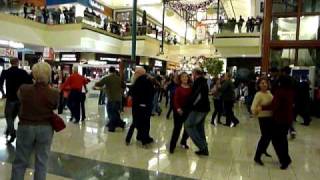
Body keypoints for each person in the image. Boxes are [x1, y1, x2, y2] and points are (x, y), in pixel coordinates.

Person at [11, 62, 59, 180]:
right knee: (42, 162)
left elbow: (20, 98)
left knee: (20, 161)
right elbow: (55, 106)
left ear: (33, 74)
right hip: (45, 128)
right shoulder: (54, 92)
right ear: (48, 74)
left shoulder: (23, 89)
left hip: (25, 127)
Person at [261, 73, 294, 169]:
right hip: (288, 119)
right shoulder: (291, 91)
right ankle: (286, 158)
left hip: (280, 119)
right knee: (282, 140)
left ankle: (285, 160)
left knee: (277, 140)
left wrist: (262, 107)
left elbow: (274, 105)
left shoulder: (280, 91)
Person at [0, 58, 33, 144]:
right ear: (18, 63)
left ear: (10, 63)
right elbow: (30, 83)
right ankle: (24, 135)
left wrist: (3, 93)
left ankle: (12, 132)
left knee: (9, 116)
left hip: (10, 98)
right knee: (20, 117)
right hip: (20, 98)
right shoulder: (22, 72)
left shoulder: (5, 72)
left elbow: (0, 84)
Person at [184, 68, 210, 156]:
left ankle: (202, 146)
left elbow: (197, 96)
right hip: (204, 108)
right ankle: (204, 149)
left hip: (199, 109)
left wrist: (191, 106)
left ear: (195, 73)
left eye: (192, 74)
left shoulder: (198, 82)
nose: (192, 75)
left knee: (188, 125)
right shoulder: (204, 81)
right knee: (199, 128)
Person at [125, 67, 154, 146]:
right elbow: (151, 92)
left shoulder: (136, 81)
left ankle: (129, 139)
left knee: (135, 122)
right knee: (145, 123)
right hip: (145, 105)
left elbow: (131, 93)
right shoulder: (147, 80)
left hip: (136, 106)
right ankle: (144, 139)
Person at [95, 66, 125, 132]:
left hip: (111, 99)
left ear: (109, 71)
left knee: (111, 113)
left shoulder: (107, 77)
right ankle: (120, 124)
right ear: (114, 71)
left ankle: (112, 127)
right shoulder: (119, 78)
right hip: (119, 99)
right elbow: (124, 86)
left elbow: (98, 84)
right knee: (116, 112)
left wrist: (101, 86)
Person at [251, 77, 273, 166]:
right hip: (263, 118)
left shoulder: (269, 93)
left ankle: (263, 150)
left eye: (265, 83)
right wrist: (257, 110)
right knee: (265, 137)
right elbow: (253, 108)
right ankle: (257, 156)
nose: (264, 84)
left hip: (271, 117)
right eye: (262, 83)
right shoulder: (258, 94)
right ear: (259, 85)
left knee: (268, 136)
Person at [169, 72, 191, 153]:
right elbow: (175, 100)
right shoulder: (178, 88)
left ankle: (183, 141)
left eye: (186, 77)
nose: (185, 78)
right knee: (177, 129)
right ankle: (172, 146)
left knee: (187, 128)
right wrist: (178, 109)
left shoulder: (191, 87)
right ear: (180, 79)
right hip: (178, 111)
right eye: (183, 77)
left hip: (188, 111)